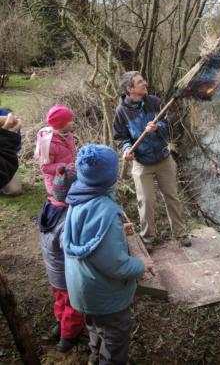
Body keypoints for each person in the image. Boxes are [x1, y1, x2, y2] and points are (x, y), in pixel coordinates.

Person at [63, 144, 154, 365]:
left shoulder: (77, 195)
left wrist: (117, 234)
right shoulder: (105, 210)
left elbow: (88, 235)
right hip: (105, 297)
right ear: (109, 176)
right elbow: (116, 266)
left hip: (81, 289)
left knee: (95, 328)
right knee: (114, 339)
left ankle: (94, 359)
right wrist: (141, 264)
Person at [113, 71, 191, 252]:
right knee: (146, 201)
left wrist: (157, 128)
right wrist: (126, 149)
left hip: (164, 159)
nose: (145, 83)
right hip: (142, 163)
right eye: (140, 82)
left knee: (172, 197)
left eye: (144, 80)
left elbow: (169, 124)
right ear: (129, 89)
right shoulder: (121, 111)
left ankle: (180, 233)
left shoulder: (154, 102)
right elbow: (119, 137)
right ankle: (148, 238)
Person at [37, 166, 85, 352]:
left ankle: (59, 325)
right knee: (74, 306)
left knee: (59, 300)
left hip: (53, 273)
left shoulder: (48, 208)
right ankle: (68, 337)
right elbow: (71, 250)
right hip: (66, 276)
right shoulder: (66, 221)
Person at [35, 105, 75, 195]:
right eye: (70, 121)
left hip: (68, 177)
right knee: (62, 206)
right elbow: (44, 167)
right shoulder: (48, 143)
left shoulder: (68, 135)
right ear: (61, 124)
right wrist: (65, 166)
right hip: (56, 184)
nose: (73, 123)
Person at [0, 107, 22, 195]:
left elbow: (15, 148)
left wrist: (6, 134)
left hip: (3, 162)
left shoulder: (4, 114)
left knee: (14, 190)